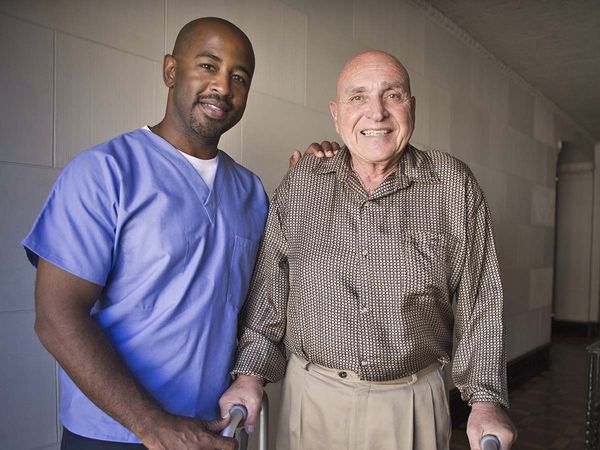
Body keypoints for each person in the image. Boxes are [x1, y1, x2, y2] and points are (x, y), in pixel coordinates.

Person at [22, 17, 312, 450]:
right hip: (115, 431)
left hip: (216, 428)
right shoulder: (105, 171)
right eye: (208, 66)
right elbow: (57, 317)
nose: (223, 87)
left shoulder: (251, 191)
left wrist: (315, 178)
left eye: (239, 77)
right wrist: (153, 424)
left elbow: (270, 299)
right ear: (171, 71)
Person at [221, 50, 517, 450]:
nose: (376, 113)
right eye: (358, 97)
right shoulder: (302, 182)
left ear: (411, 106)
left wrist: (485, 401)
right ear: (336, 113)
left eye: (392, 95)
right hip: (311, 401)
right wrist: (249, 376)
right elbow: (269, 296)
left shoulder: (452, 185)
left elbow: (480, 301)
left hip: (411, 405)